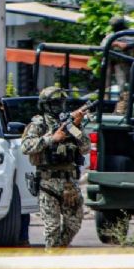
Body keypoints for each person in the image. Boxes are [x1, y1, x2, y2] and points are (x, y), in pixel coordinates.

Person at [20, 87, 91, 249]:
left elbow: (86, 147)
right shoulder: (39, 124)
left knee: (73, 225)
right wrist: (51, 138)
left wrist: (76, 126)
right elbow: (25, 147)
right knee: (52, 228)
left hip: (69, 184)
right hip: (47, 183)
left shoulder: (69, 125)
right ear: (46, 105)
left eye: (61, 102)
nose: (59, 106)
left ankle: (57, 252)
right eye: (55, 103)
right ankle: (53, 265)